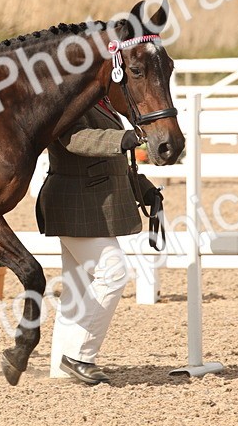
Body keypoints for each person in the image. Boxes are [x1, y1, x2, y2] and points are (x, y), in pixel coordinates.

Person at [35, 98, 158, 385]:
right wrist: (125, 137)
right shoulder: (71, 98)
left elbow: (112, 161)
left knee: (76, 288)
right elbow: (76, 139)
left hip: (88, 202)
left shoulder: (100, 101)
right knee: (113, 271)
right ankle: (79, 356)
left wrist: (145, 190)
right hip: (75, 201)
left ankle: (60, 367)